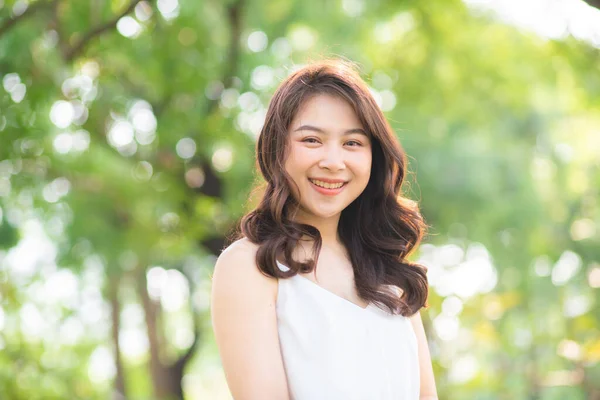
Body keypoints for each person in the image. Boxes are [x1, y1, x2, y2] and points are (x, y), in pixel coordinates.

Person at [210, 59, 438, 400]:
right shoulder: (249, 267)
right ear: (277, 147)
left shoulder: (391, 274)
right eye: (312, 140)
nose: (334, 162)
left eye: (352, 143)